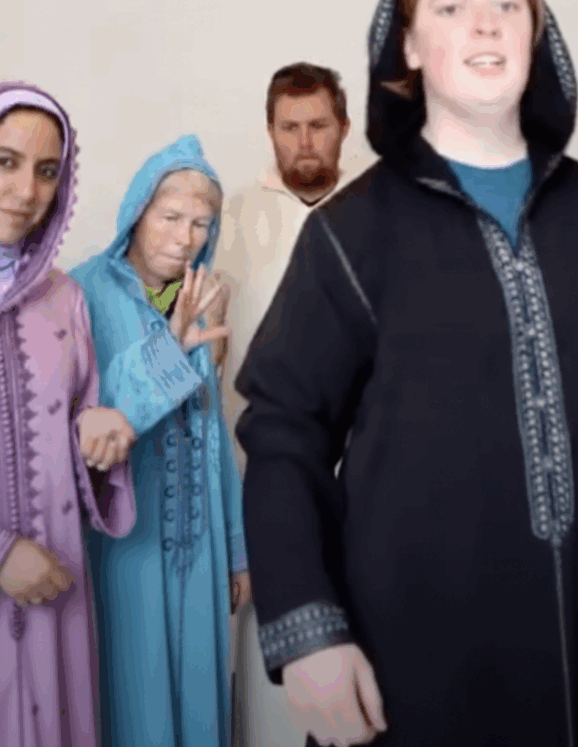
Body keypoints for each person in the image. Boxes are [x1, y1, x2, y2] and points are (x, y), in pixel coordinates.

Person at [235, 0, 578, 747]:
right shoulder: (353, 233)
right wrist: (309, 630)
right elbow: (284, 432)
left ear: (539, 35)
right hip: (420, 649)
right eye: (451, 5)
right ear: (410, 47)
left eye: (510, 2)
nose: (486, 22)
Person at [0, 82, 136, 747]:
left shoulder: (64, 301)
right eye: (5, 161)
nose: (26, 192)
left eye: (48, 171)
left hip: (54, 612)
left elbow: (70, 439)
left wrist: (94, 441)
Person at [70, 135, 250, 747]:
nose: (186, 236)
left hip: (199, 544)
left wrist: (237, 548)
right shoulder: (78, 296)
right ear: (137, 213)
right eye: (171, 217)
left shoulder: (202, 299)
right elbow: (89, 428)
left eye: (202, 223)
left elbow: (211, 428)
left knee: (201, 701)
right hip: (125, 544)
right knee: (133, 698)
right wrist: (168, 348)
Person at [217, 63, 373, 747]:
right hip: (267, 478)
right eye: (290, 128)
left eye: (318, 126)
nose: (304, 142)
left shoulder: (379, 212)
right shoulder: (230, 222)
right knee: (271, 677)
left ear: (344, 127)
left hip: (370, 482)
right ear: (270, 132)